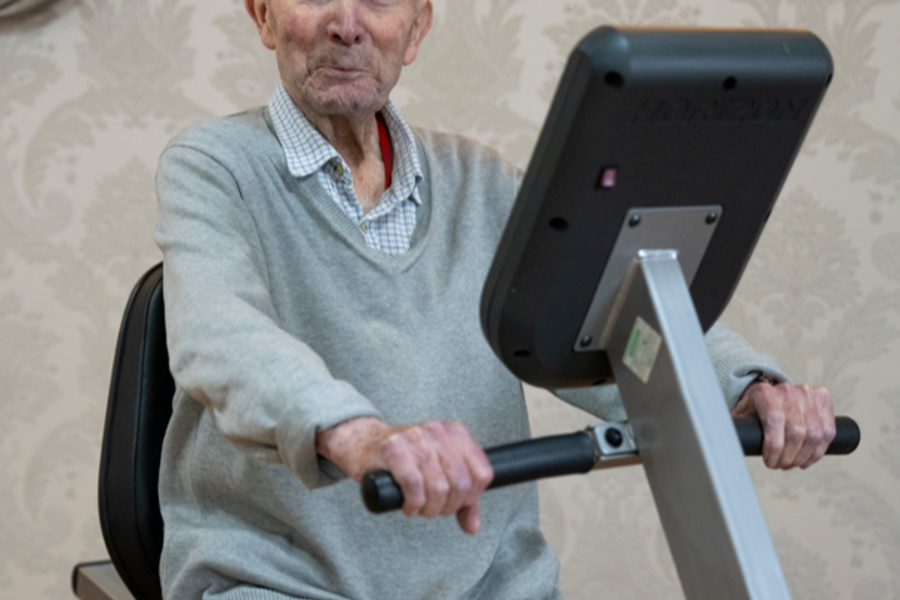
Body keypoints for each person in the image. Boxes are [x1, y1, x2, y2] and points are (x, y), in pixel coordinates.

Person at [153, 1, 837, 598]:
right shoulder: (213, 167)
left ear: (415, 30)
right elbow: (220, 334)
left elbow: (612, 324)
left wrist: (744, 390)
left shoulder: (483, 183)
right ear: (262, 15)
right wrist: (363, 435)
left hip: (492, 587)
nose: (346, 25)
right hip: (282, 584)